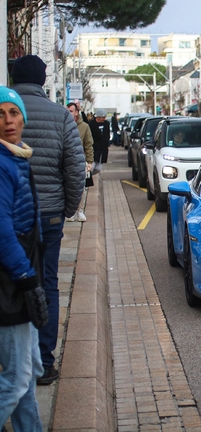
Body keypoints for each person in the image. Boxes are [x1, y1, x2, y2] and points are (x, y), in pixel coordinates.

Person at [11, 55, 85, 386]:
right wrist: (68, 208)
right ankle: (44, 360)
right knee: (48, 284)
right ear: (43, 80)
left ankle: (13, 359)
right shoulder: (60, 116)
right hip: (50, 214)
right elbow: (74, 168)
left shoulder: (5, 114)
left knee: (12, 281)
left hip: (9, 216)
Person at [0, 85, 45, 432]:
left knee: (30, 373)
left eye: (13, 113)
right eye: (0, 114)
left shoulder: (17, 155)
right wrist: (27, 277)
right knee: (16, 379)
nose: (8, 120)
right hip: (10, 281)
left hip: (23, 274)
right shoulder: (3, 164)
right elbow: (2, 229)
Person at [66, 102, 94, 222]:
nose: (69, 113)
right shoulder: (64, 125)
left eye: (71, 111)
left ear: (76, 112)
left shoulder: (84, 127)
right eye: (67, 111)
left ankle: (80, 210)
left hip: (80, 161)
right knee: (67, 187)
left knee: (81, 188)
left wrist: (89, 161)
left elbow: (89, 145)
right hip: (67, 162)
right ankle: (70, 212)